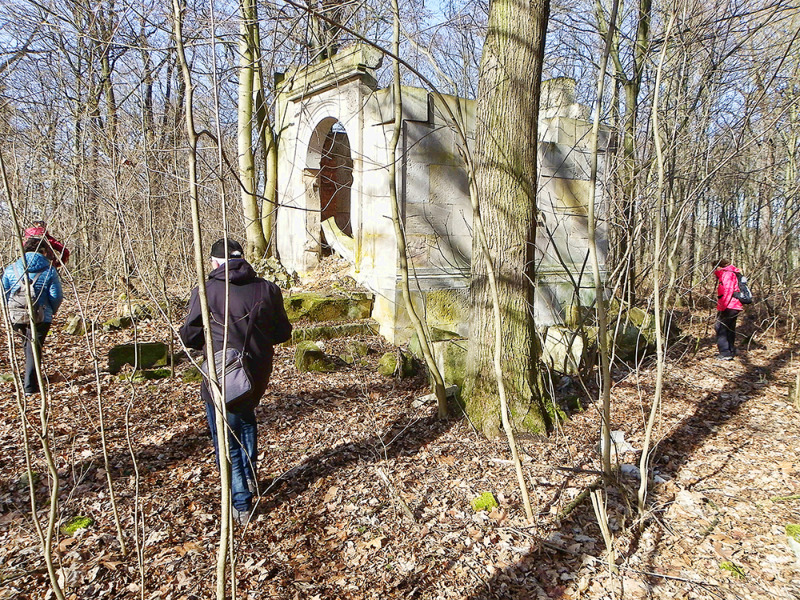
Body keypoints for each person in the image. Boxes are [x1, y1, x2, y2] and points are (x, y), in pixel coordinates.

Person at [179, 239, 292, 525]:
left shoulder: (206, 291)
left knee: (226, 437)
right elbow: (282, 332)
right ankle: (251, 477)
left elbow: (189, 336)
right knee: (245, 418)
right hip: (256, 372)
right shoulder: (267, 288)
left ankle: (241, 502)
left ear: (215, 263)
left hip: (222, 374)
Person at [2, 237, 64, 394]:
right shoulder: (49, 270)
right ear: (43, 252)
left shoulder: (11, 269)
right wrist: (52, 311)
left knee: (29, 346)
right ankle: (29, 386)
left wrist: (7, 311)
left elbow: (3, 293)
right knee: (33, 348)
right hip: (41, 316)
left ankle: (32, 378)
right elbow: (56, 296)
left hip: (16, 316)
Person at [714, 258, 743, 361]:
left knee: (720, 327)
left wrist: (723, 306)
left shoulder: (727, 274)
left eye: (715, 268)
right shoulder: (732, 273)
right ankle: (730, 350)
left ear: (719, 266)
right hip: (734, 305)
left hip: (729, 305)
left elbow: (728, 290)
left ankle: (725, 353)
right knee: (729, 328)